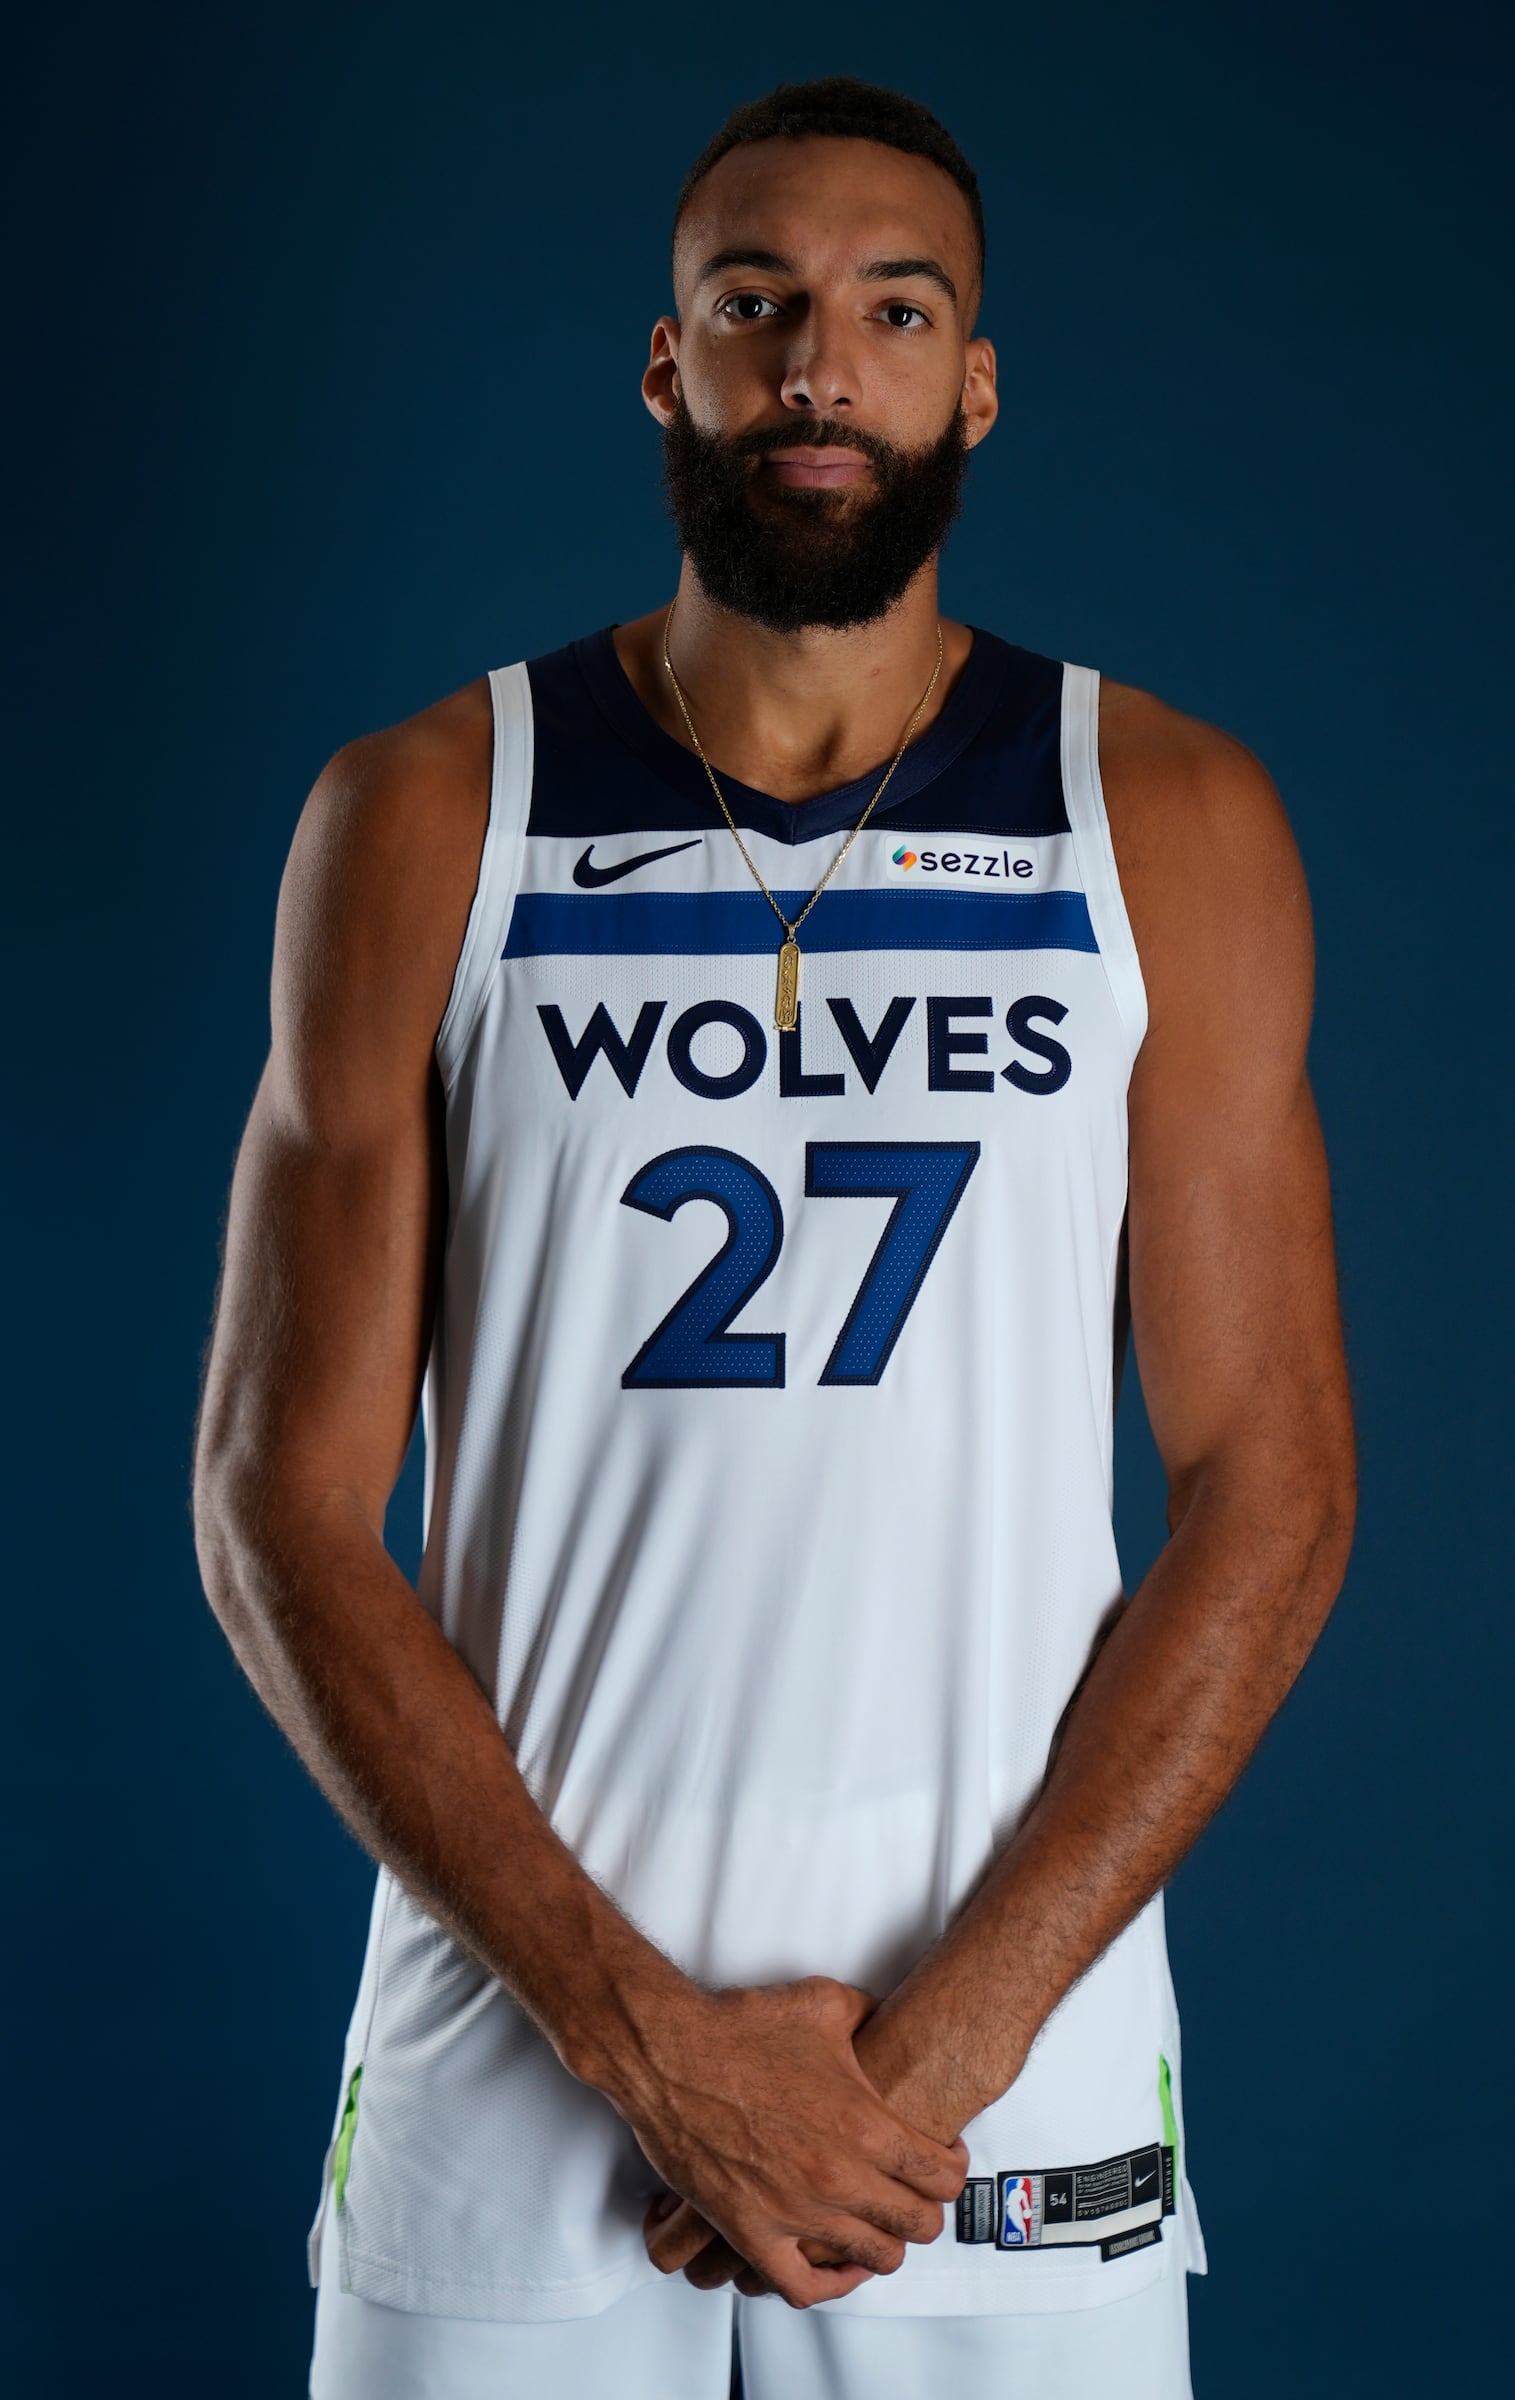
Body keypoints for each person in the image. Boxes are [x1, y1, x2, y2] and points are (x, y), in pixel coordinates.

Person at [192, 73, 1356, 2400]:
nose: (819, 365)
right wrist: (644, 2041)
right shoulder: (430, 811)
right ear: (669, 365)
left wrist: (928, 2061)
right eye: (758, 306)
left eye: (891, 310)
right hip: (514, 2060)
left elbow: (1268, 1486)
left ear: (975, 382)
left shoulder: (1164, 814)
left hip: (991, 2097)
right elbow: (276, 1504)